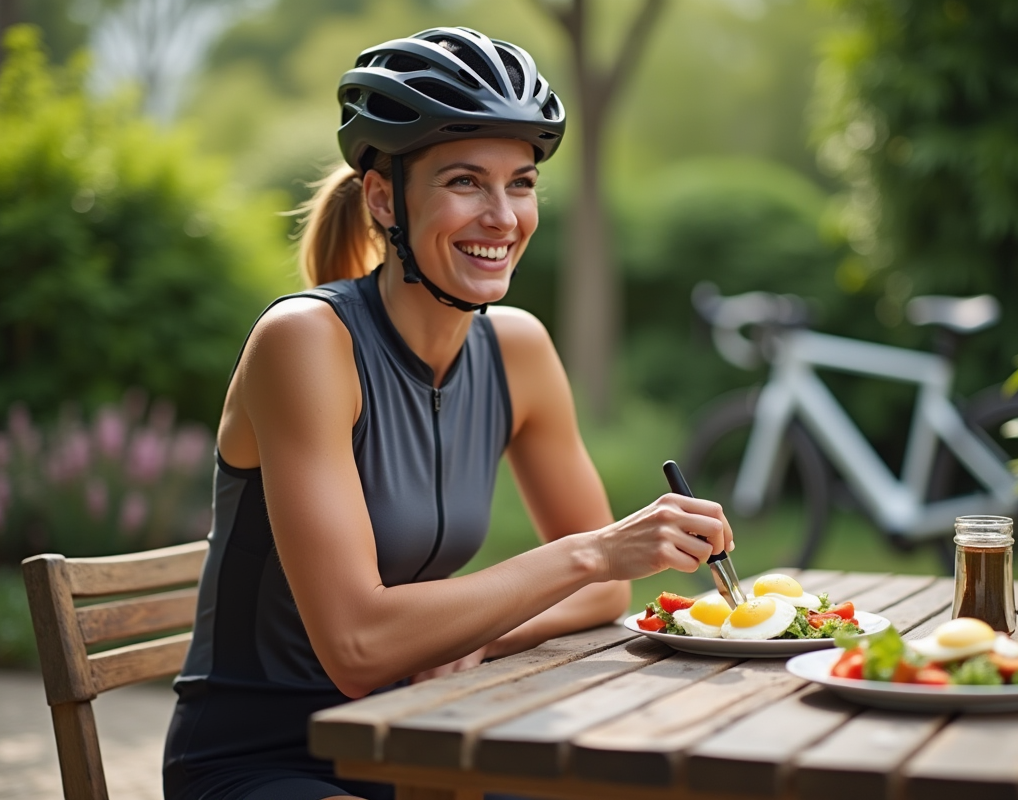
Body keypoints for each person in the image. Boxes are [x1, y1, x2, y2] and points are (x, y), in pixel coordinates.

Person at [163, 26, 733, 800]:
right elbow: (360, 644)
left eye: (522, 182)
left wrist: (490, 630)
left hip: (424, 743)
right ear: (383, 198)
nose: (503, 216)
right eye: (466, 181)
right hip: (264, 763)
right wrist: (596, 551)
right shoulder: (305, 344)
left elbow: (603, 598)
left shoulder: (518, 349)